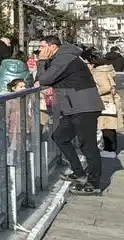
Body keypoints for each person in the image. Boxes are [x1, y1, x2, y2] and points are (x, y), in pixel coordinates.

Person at [35, 36, 104, 193]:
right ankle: (79, 173)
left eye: (42, 46)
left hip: (84, 107)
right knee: (60, 137)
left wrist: (41, 62)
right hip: (73, 107)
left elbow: (45, 79)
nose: (40, 50)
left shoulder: (64, 57)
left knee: (88, 145)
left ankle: (94, 184)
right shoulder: (59, 58)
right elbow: (40, 79)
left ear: (52, 47)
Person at [87, 54, 121, 154]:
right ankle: (110, 149)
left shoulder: (99, 73)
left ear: (93, 64)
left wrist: (93, 91)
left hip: (104, 102)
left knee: (106, 126)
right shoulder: (105, 70)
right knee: (109, 126)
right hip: (109, 101)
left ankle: (109, 149)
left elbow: (106, 87)